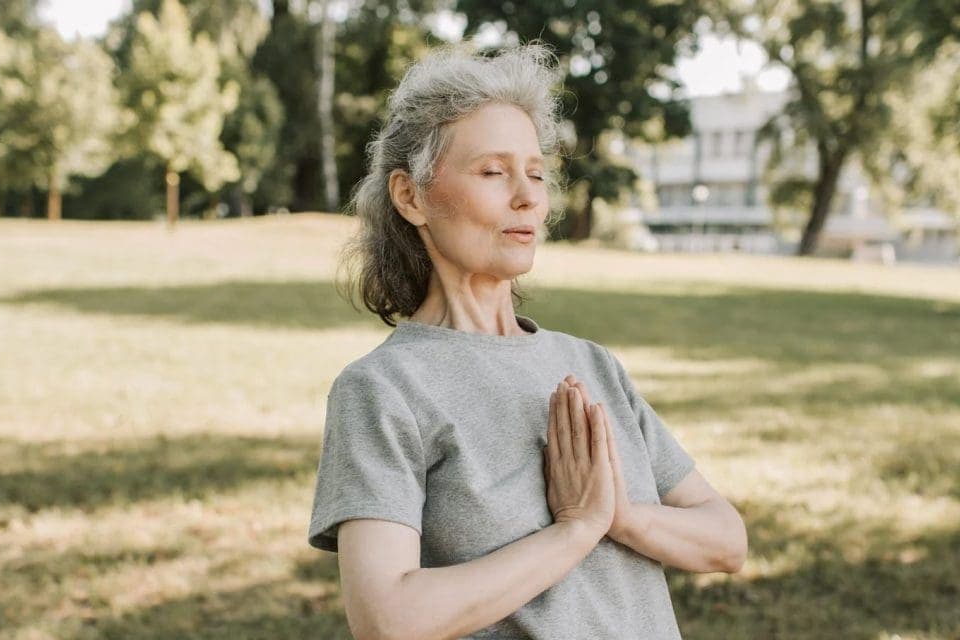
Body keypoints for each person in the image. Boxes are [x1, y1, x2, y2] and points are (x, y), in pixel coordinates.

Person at [306, 42, 747, 640]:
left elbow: (726, 541)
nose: (528, 196)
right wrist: (573, 531)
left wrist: (620, 517)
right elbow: (387, 619)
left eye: (536, 173)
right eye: (493, 172)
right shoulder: (383, 390)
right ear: (411, 197)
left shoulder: (591, 365)